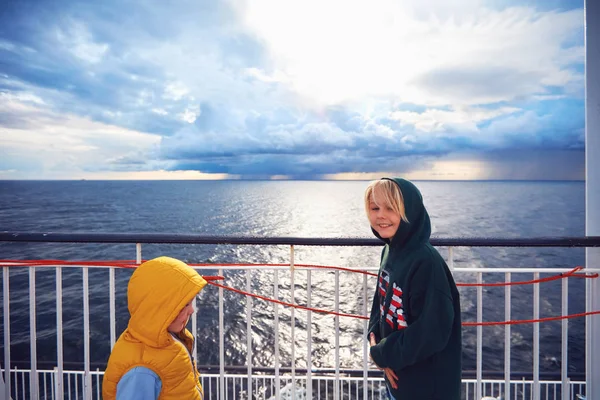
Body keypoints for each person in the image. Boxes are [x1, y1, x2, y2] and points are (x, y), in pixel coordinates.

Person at [365, 178, 462, 400]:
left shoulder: (425, 262)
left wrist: (382, 353)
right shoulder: (390, 251)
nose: (381, 215)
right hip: (400, 380)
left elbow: (433, 330)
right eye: (374, 208)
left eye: (391, 208)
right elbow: (382, 302)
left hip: (425, 387)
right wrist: (375, 338)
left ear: (410, 210)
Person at [102, 256, 208, 400]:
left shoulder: (164, 339)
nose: (192, 310)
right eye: (184, 305)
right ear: (159, 309)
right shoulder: (141, 371)